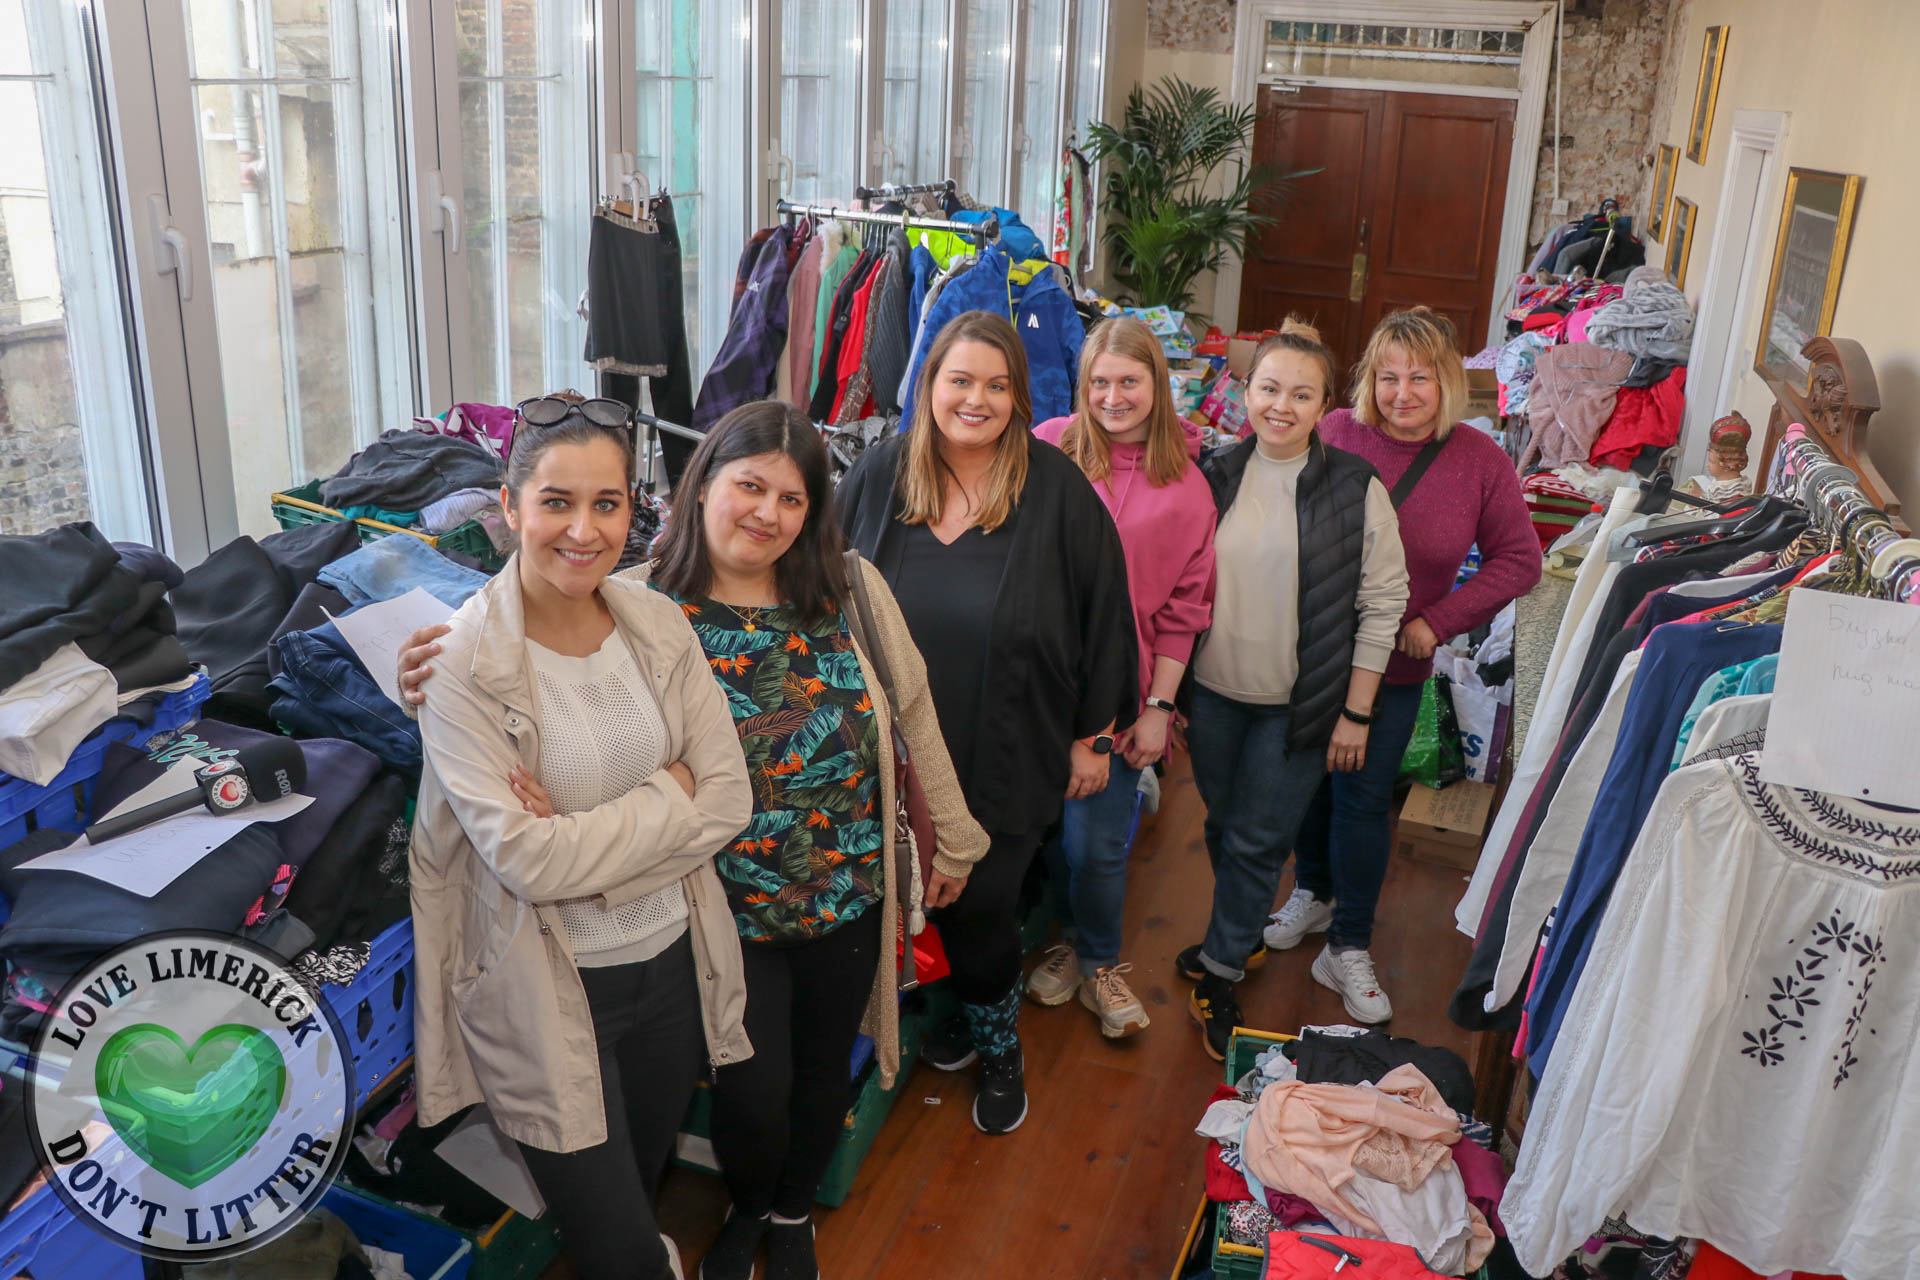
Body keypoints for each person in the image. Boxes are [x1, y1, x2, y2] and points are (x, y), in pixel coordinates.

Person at [402, 401, 988, 1280]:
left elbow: (911, 714)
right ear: (699, 486)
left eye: (792, 499)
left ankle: (790, 1214)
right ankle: (750, 1206)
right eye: (749, 486)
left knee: (822, 1073)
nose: (768, 513)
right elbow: (535, 626)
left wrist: (958, 836)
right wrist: (433, 656)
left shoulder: (850, 591)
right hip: (718, 907)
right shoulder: (641, 601)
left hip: (842, 885)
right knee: (752, 1093)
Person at [408, 399, 754, 1280]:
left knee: (636, 1193)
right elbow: (527, 861)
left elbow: (729, 798)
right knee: (619, 1247)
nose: (583, 528)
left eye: (606, 503)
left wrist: (578, 832)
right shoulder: (459, 663)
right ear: (510, 504)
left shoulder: (657, 625)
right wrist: (665, 791)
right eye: (557, 501)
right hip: (551, 990)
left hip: (670, 968)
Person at [837, 310, 1137, 1133]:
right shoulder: (879, 474)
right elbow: (816, 588)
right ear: (928, 385)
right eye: (959, 380)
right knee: (897, 903)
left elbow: (1106, 611)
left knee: (981, 915)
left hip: (1004, 749)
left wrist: (1093, 734)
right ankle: (952, 1022)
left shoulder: (1056, 489)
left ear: (1018, 396)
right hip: (884, 760)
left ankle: (999, 1043)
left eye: (996, 386)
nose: (976, 399)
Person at [1264, 307, 1539, 1024]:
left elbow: (1520, 561)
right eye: (1387, 377)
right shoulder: (1335, 434)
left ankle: (1349, 942)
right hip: (1309, 653)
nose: (1401, 393)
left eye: (1418, 377)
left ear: (1446, 379)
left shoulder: (1481, 461)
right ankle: (1314, 894)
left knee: (1361, 797)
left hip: (1394, 664)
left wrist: (1438, 622)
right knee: (1305, 786)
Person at [1173, 321, 1410, 1061]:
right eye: (1269, 388)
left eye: (1301, 393)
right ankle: (1237, 935)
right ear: (1246, 391)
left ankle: (1219, 971)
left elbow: (1384, 601)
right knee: (1224, 825)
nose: (1282, 405)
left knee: (1255, 838)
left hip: (1300, 706)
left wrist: (1356, 711)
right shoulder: (1209, 474)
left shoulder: (1354, 487)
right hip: (1211, 695)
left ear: (1325, 405)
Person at [1028, 316, 1216, 1038]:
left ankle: (1099, 960)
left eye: (1128, 382)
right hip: (1037, 685)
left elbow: (1184, 610)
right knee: (1046, 830)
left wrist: (1159, 708)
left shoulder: (1187, 488)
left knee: (1095, 842)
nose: (1113, 397)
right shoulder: (1047, 448)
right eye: (1099, 382)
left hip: (1120, 695)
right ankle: (1070, 943)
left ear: (1156, 387)